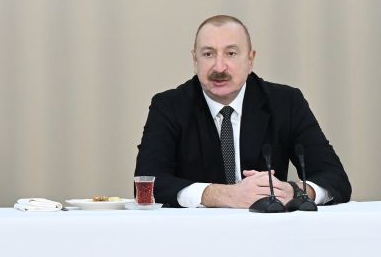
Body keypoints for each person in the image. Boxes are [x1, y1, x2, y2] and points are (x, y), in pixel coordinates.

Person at [134, 15, 351, 208]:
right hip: (196, 234)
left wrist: (295, 191)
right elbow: (146, 184)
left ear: (250, 60)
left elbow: (336, 179)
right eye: (208, 54)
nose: (219, 67)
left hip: (269, 232)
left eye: (231, 53)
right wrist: (223, 195)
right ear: (195, 60)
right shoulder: (169, 106)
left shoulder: (286, 102)